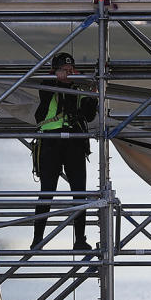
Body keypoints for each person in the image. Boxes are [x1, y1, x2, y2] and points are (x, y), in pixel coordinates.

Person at [32, 52, 98, 250]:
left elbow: (89, 115)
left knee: (79, 193)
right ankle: (37, 240)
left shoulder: (79, 89)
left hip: (75, 142)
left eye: (71, 70)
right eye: (64, 70)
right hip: (50, 143)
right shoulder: (47, 86)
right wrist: (58, 82)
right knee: (47, 192)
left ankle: (79, 239)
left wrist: (93, 95)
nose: (68, 73)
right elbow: (44, 101)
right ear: (55, 71)